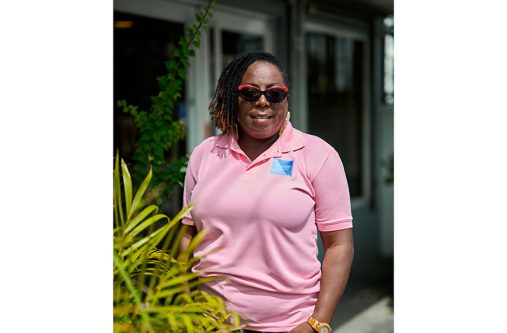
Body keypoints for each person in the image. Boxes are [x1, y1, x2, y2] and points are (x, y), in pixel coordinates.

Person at [180, 51, 354, 333]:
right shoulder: (205, 153)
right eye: (249, 93)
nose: (262, 101)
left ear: (286, 100)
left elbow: (339, 245)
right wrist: (186, 306)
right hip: (209, 323)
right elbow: (188, 234)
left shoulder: (317, 155)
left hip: (288, 324)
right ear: (231, 97)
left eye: (274, 94)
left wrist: (317, 322)